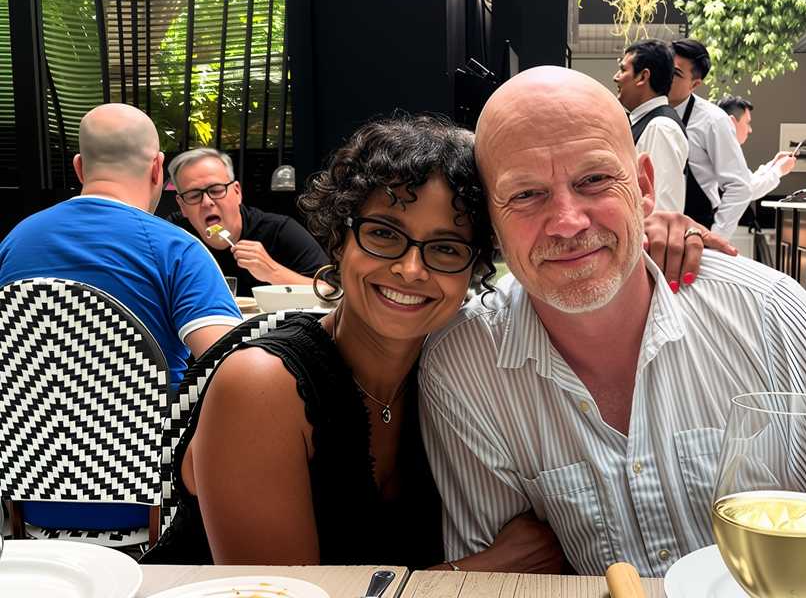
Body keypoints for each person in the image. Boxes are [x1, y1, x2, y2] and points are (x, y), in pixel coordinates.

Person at [145, 114, 730, 566]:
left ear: (476, 267)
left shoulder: (461, 368)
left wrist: (640, 235)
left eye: (446, 248)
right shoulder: (265, 386)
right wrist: (480, 574)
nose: (411, 270)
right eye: (383, 235)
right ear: (338, 241)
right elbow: (282, 597)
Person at [419, 67, 806, 577]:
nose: (567, 221)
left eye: (594, 179)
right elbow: (511, 581)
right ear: (491, 223)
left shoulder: (773, 315)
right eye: (525, 194)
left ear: (645, 186)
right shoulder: (464, 368)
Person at [0, 103, 242, 532]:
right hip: (160, 507)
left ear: (79, 168)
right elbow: (234, 365)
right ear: (157, 169)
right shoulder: (176, 249)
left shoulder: (14, 243)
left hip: (27, 509)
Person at [668, 39, 796, 237]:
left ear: (695, 84)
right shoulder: (648, 112)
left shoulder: (711, 121)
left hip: (693, 233)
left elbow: (740, 186)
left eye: (675, 73)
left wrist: (715, 239)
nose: (665, 76)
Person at [167, 148, 328, 293]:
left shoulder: (279, 231)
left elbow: (331, 291)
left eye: (216, 190)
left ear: (237, 192)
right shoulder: (173, 237)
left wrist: (273, 272)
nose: (207, 202)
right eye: (194, 195)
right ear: (182, 206)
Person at [613, 39, 688, 213]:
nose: (616, 77)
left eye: (623, 69)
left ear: (643, 77)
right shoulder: (648, 123)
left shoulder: (660, 127)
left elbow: (661, 208)